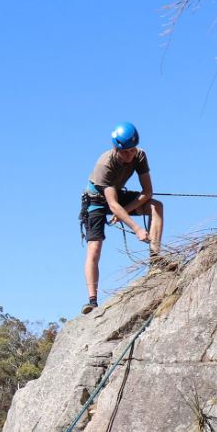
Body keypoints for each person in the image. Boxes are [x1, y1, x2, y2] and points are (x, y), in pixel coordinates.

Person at [80, 121, 164, 314]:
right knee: (94, 248)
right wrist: (137, 228)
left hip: (117, 196)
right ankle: (92, 301)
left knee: (156, 207)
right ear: (116, 149)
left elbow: (147, 192)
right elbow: (112, 205)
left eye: (132, 150)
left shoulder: (139, 156)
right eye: (125, 152)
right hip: (96, 200)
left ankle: (155, 260)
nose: (130, 155)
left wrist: (125, 210)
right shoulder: (105, 164)